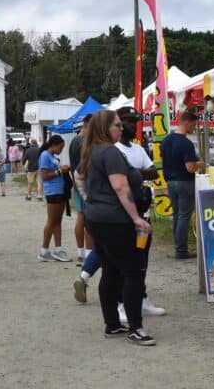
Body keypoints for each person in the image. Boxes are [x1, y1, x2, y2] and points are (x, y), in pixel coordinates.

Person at [81, 109, 154, 345]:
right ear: (105, 128)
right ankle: (136, 327)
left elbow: (85, 182)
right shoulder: (110, 152)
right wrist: (136, 218)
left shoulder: (93, 151)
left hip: (97, 218)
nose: (122, 128)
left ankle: (112, 324)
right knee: (132, 272)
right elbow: (121, 187)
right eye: (117, 125)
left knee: (110, 270)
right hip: (115, 220)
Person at [160, 110, 203, 258]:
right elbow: (190, 167)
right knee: (184, 216)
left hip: (170, 182)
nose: (194, 128)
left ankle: (178, 247)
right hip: (185, 182)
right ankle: (181, 250)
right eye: (193, 125)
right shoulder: (186, 143)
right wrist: (200, 164)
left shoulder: (166, 140)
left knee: (177, 215)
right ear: (187, 123)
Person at [37, 135, 71, 262]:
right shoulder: (45, 155)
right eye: (60, 147)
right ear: (53, 145)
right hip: (53, 192)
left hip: (59, 191)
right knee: (52, 221)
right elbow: (44, 176)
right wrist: (60, 171)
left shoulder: (52, 156)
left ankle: (58, 249)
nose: (61, 150)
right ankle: (44, 251)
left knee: (58, 220)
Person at [69, 115, 93, 263]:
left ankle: (81, 252)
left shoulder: (74, 141)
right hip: (85, 185)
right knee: (88, 218)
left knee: (81, 216)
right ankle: (89, 253)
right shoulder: (83, 143)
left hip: (77, 183)